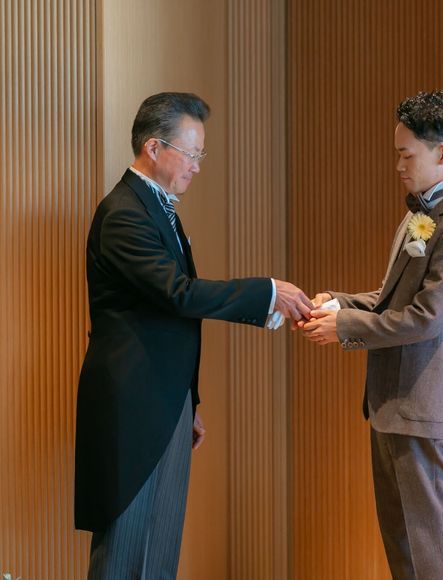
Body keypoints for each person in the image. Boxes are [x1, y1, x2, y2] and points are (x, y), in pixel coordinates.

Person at [74, 91, 312, 579]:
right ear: (154, 147)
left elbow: (164, 319)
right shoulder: (124, 212)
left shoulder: (157, 208)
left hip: (164, 400)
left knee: (159, 550)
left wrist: (188, 400)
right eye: (192, 153)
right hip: (134, 408)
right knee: (127, 553)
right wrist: (267, 292)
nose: (197, 167)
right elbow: (178, 294)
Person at [302, 90, 443, 579]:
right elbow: (392, 299)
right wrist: (340, 302)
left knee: (434, 547)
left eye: (407, 155)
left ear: (442, 153)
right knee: (402, 542)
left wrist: (345, 327)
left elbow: (427, 317)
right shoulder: (419, 215)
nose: (399, 166)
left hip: (423, 409)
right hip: (391, 404)